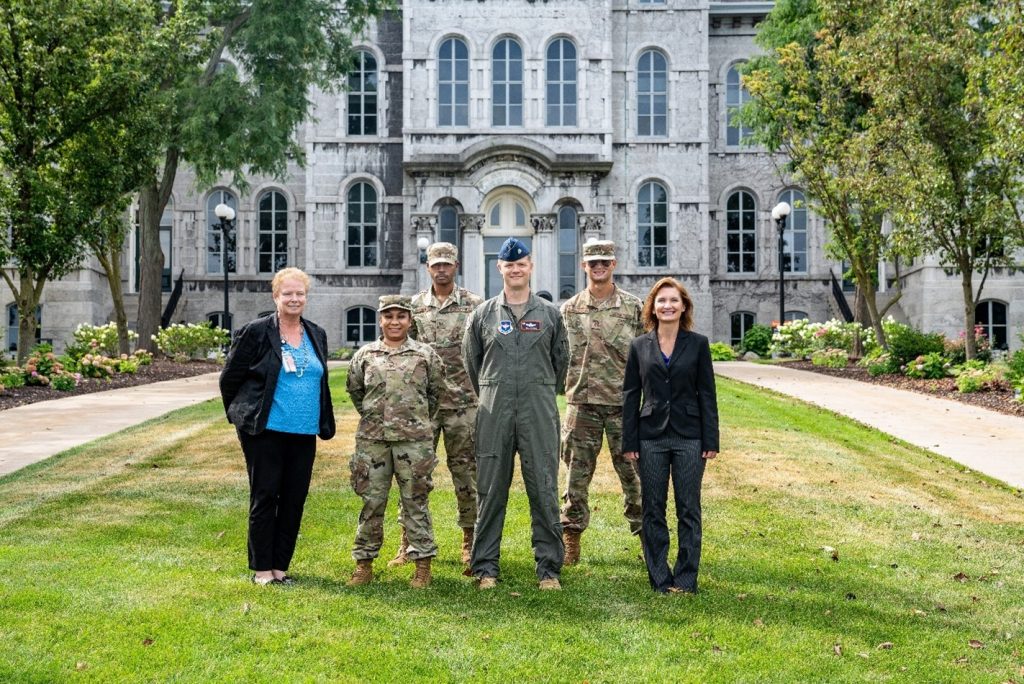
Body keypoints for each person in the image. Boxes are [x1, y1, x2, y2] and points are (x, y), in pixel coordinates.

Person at [462, 237, 569, 590]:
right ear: (500, 268)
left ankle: (549, 568)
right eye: (509, 265)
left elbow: (561, 363)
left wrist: (539, 390)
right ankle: (486, 568)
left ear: (530, 266)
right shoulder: (483, 315)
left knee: (543, 487)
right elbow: (471, 362)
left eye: (521, 263)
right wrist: (495, 390)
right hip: (494, 410)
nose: (515, 269)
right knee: (491, 489)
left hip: (538, 410)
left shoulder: (550, 314)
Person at [219, 267, 335, 586]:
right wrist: (241, 416)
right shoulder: (256, 332)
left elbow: (319, 381)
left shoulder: (316, 334)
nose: (294, 299)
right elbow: (230, 379)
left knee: (294, 499)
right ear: (276, 296)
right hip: (265, 430)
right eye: (288, 293)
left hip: (304, 431)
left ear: (306, 297)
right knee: (265, 496)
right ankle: (261, 569)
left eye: (300, 293)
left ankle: (281, 567)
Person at [385, 242, 483, 567]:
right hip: (422, 409)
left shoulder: (474, 306)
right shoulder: (413, 307)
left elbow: (485, 353)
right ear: (428, 267)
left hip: (463, 405)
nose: (441, 269)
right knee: (414, 475)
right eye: (435, 264)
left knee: (466, 474)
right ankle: (409, 542)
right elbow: (401, 350)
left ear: (456, 266)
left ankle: (469, 541)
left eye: (447, 264)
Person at [622, 277, 719, 594]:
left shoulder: (698, 344)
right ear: (652, 307)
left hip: (689, 437)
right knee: (653, 508)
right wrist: (630, 441)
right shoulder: (639, 346)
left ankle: (687, 578)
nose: (668, 306)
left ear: (684, 306)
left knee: (689, 508)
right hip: (650, 437)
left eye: (674, 300)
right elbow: (631, 395)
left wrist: (710, 440)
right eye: (662, 300)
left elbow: (707, 394)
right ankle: (660, 578)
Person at [346, 295, 445, 589]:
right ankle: (364, 563)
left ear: (410, 320)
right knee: (372, 501)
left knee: (416, 500)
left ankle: (422, 564)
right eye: (388, 316)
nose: (394, 322)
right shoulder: (365, 355)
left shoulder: (425, 355)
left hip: (414, 443)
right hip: (373, 441)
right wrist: (377, 418)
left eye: (401, 316)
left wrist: (413, 421)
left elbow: (435, 394)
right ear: (380, 320)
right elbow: (356, 391)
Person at [559, 240, 645, 564]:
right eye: (593, 262)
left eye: (604, 262)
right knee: (575, 478)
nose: (598, 267)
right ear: (584, 266)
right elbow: (559, 357)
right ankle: (571, 539)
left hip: (623, 405)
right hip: (581, 405)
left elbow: (646, 357)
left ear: (614, 265)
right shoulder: (569, 309)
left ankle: (647, 538)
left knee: (634, 476)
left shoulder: (634, 308)